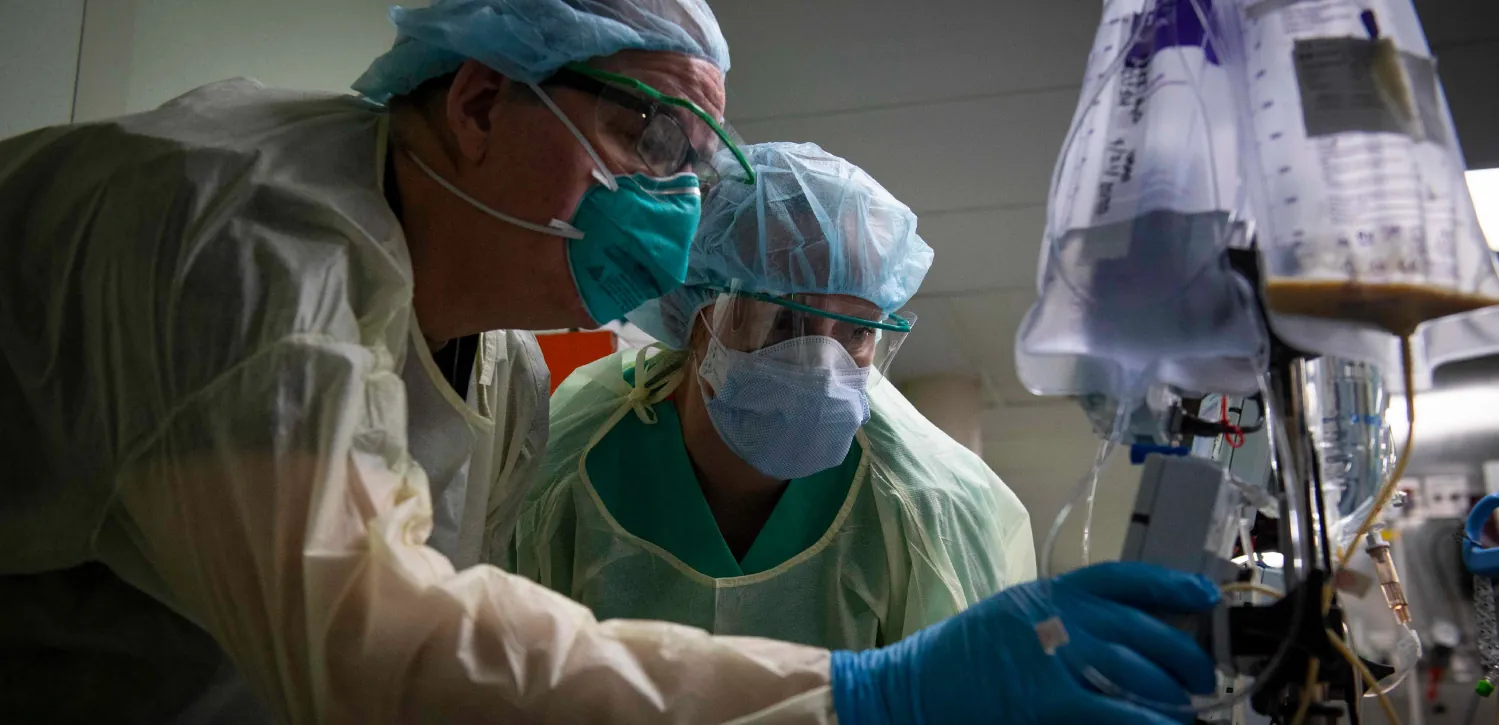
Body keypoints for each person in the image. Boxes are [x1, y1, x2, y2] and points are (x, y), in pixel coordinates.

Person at [0, 0, 1222, 722]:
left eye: (700, 161)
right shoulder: (243, 256)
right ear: (479, 105)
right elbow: (380, 656)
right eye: (649, 135)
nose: (683, 203)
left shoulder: (502, 379)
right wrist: (871, 693)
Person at [512, 141, 1036, 649]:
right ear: (698, 318)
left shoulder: (929, 505)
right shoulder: (564, 467)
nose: (823, 370)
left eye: (856, 332)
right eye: (783, 321)